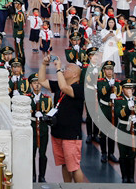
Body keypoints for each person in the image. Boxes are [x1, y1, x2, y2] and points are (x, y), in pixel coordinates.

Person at [36, 53, 85, 183]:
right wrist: (44, 64)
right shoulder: (59, 85)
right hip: (57, 133)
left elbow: (64, 87)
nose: (63, 70)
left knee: (74, 167)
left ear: (75, 74)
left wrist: (58, 68)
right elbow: (42, 81)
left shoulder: (79, 89)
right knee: (64, 164)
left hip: (71, 135)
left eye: (66, 69)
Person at [115, 78, 136, 183]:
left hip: (134, 130)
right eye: (127, 88)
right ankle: (124, 177)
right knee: (123, 153)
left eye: (131, 88)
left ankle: (131, 177)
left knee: (132, 154)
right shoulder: (118, 100)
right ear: (122, 89)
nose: (129, 90)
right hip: (123, 129)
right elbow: (119, 114)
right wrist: (128, 107)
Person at [29, 74, 53, 183]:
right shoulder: (27, 98)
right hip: (32, 126)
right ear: (31, 85)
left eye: (38, 83)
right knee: (32, 153)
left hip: (43, 128)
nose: (37, 85)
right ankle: (33, 175)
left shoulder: (47, 99)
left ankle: (42, 176)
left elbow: (50, 113)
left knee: (43, 153)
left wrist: (44, 116)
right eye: (34, 83)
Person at [96, 60, 120, 164]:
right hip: (104, 108)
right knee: (103, 132)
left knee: (112, 132)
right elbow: (101, 93)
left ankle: (111, 153)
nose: (109, 71)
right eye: (107, 69)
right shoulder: (100, 82)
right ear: (104, 71)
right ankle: (103, 153)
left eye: (111, 69)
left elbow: (120, 95)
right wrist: (109, 85)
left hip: (113, 109)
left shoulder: (117, 83)